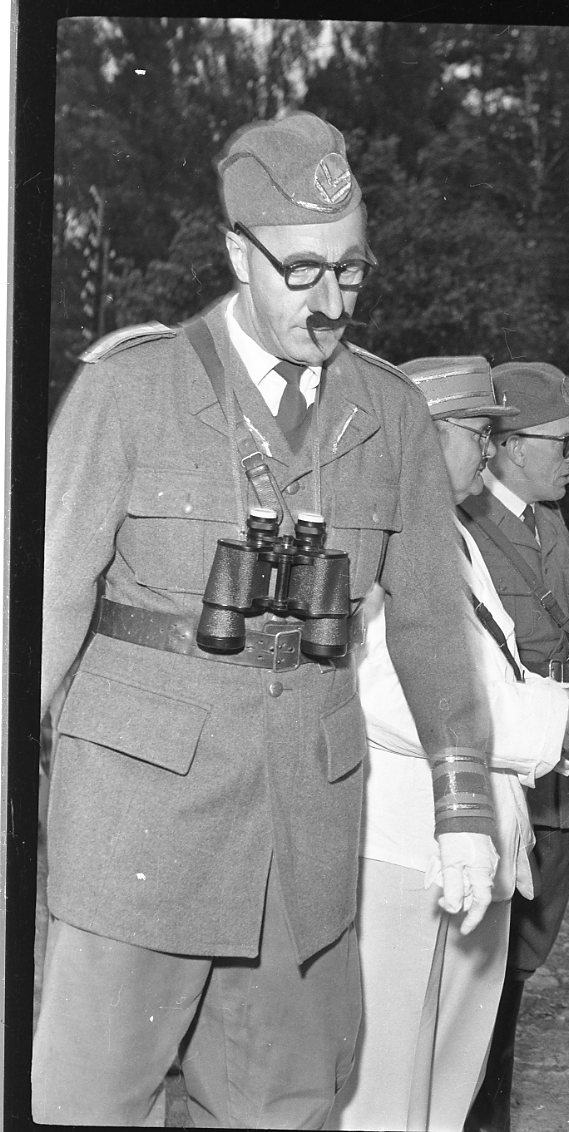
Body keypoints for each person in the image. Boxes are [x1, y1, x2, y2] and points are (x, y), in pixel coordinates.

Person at [34, 112, 494, 1127]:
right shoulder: (129, 391)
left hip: (303, 833)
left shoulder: (392, 415)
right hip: (136, 822)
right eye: (301, 271)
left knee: (283, 1106)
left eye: (351, 271)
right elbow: (44, 602)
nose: (330, 303)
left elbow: (430, 621)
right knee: (89, 1104)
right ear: (237, 253)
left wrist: (463, 806)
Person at [328, 356, 569, 1132]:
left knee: (446, 1083)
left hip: (461, 842)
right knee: (384, 1088)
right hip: (405, 848)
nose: (491, 448)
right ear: (425, 433)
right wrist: (543, 726)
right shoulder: (377, 528)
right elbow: (383, 690)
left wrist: (555, 705)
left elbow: (486, 667)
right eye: (479, 430)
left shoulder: (446, 532)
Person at [459, 361, 569, 1132]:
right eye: (563, 442)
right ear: (506, 445)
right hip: (499, 776)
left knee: (521, 967)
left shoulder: (552, 526)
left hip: (556, 780)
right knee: (483, 976)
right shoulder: (463, 529)